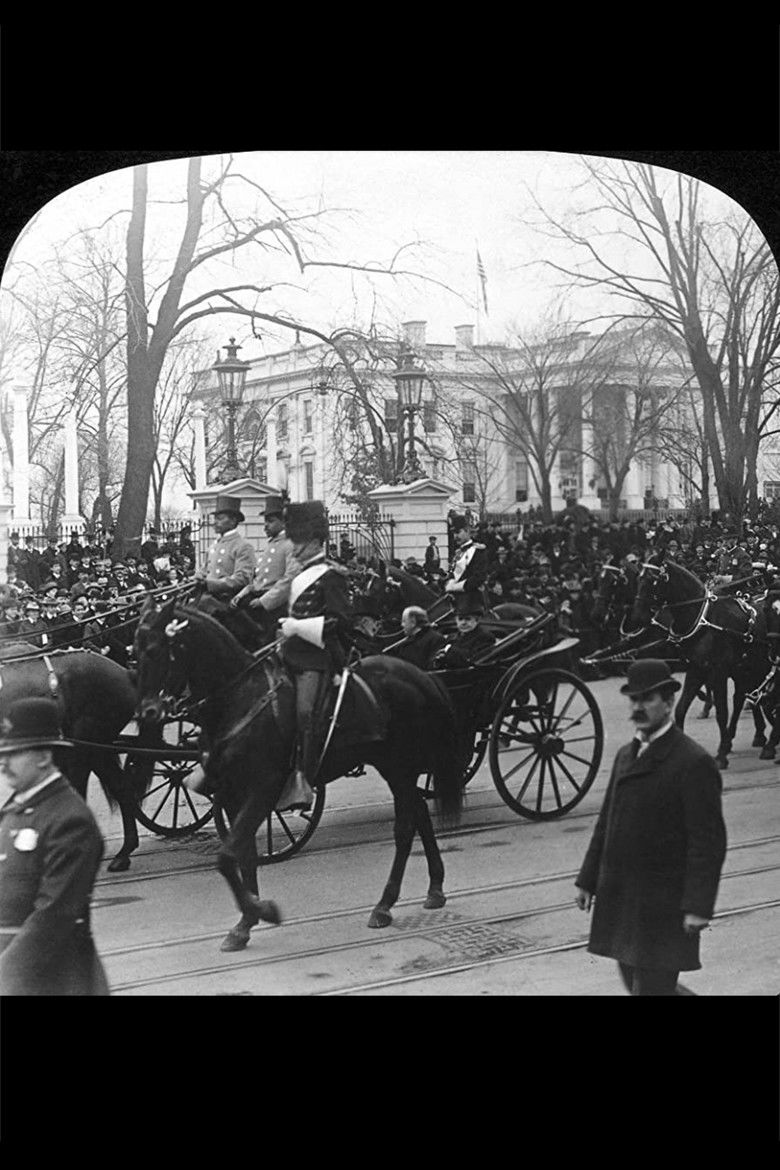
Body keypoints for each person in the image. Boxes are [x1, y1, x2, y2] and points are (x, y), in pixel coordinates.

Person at [575, 659, 727, 996]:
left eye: (648, 699)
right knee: (637, 982)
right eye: (633, 699)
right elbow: (606, 823)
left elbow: (707, 843)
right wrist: (588, 879)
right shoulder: (625, 757)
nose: (638, 707)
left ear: (669, 703)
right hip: (624, 898)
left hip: (665, 904)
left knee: (652, 989)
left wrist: (698, 906)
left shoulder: (693, 762)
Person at [0, 697, 110, 996]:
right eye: (2, 754)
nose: (3, 764)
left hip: (52, 975)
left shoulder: (70, 820)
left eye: (14, 753)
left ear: (43, 757)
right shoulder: (15, 811)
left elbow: (54, 914)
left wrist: (5, 974)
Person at [278, 501, 355, 809]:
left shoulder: (331, 576)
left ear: (313, 541)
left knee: (304, 713)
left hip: (318, 657)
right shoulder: (300, 574)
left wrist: (298, 627)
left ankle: (303, 779)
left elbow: (341, 621)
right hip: (289, 652)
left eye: (297, 540)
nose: (292, 547)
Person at [230, 496, 298, 627]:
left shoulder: (290, 545)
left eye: (271, 521)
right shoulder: (270, 545)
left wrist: (264, 601)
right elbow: (258, 580)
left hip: (275, 605)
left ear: (284, 522)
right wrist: (241, 594)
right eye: (265, 521)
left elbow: (289, 579)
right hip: (257, 598)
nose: (266, 525)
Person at [194, 496, 256, 601]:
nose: (215, 522)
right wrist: (196, 578)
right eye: (215, 518)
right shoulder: (214, 545)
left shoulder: (243, 546)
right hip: (207, 597)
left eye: (220, 518)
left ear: (233, 521)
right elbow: (205, 570)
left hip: (226, 600)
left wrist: (210, 584)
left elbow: (242, 579)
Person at [430, 592, 497, 668]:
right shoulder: (452, 637)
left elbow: (473, 660)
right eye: (460, 619)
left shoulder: (485, 637)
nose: (463, 623)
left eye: (468, 619)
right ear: (456, 621)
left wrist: (448, 650)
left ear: (477, 620)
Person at [444, 516, 488, 608]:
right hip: (455, 597)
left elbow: (479, 577)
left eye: (458, 532)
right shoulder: (458, 552)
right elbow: (452, 572)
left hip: (472, 600)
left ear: (467, 531)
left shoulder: (478, 551)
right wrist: (450, 582)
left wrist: (455, 587)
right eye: (454, 533)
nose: (455, 536)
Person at [384, 605, 446, 670]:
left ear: (413, 622)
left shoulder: (436, 640)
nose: (402, 625)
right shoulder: (401, 646)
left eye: (404, 621)